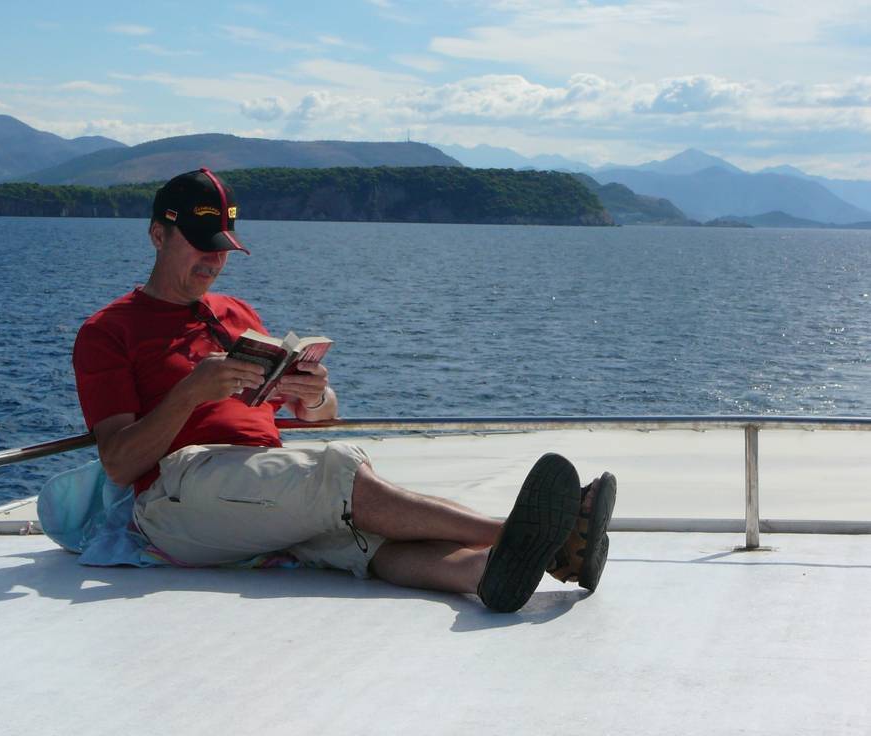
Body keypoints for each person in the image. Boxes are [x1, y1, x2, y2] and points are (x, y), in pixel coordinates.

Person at [72, 167, 616, 612]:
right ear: (157, 235)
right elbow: (119, 462)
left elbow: (320, 418)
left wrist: (313, 395)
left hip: (259, 489)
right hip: (177, 497)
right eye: (200, 245)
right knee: (336, 471)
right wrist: (191, 393)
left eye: (223, 248)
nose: (214, 260)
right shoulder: (109, 331)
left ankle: (487, 572)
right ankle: (520, 533)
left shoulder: (234, 313)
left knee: (370, 546)